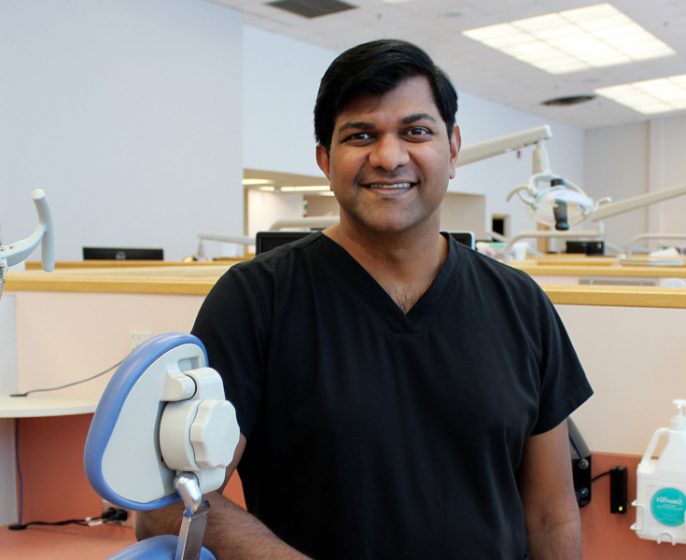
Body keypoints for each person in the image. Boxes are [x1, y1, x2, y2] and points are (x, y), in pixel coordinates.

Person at [138, 39, 592, 559]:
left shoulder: (520, 305)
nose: (389, 156)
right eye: (361, 135)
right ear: (325, 160)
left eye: (416, 131)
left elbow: (552, 513)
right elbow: (170, 506)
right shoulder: (256, 301)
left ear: (454, 148)